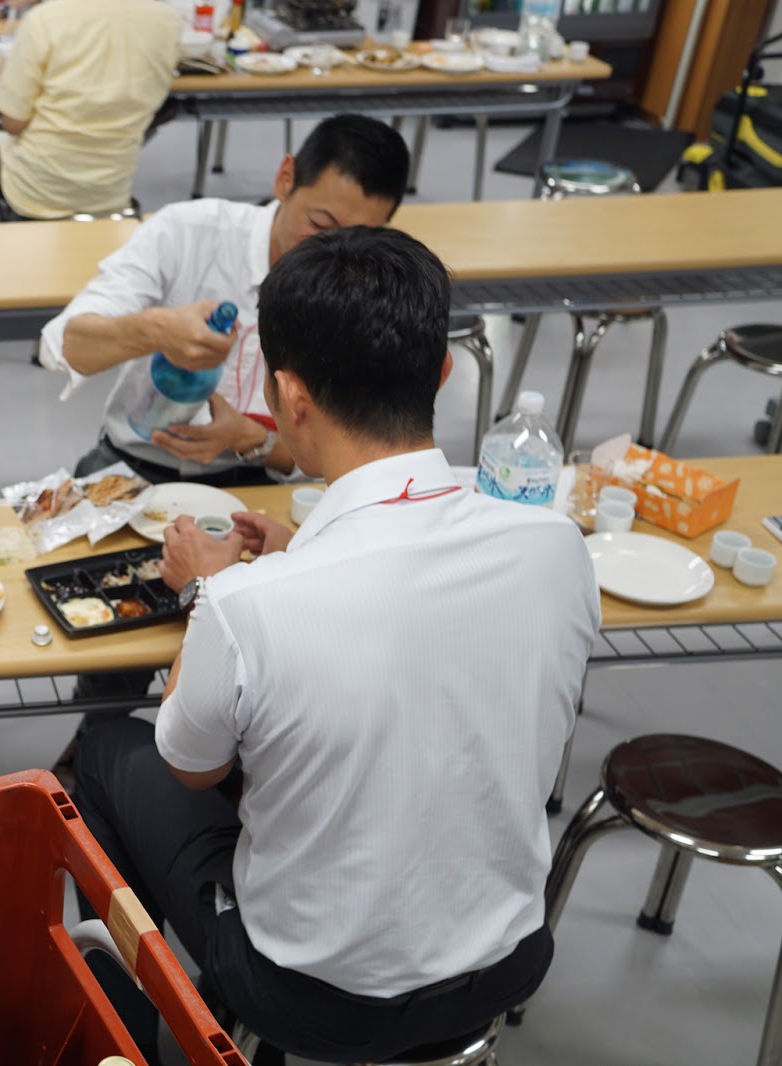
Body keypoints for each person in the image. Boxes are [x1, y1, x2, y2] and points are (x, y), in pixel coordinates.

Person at [73, 227, 601, 1065]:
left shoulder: (246, 604)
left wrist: (205, 593)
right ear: (442, 372)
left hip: (313, 998)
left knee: (106, 752)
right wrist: (302, 552)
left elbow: (191, 766)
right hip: (505, 965)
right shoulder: (557, 549)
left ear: (289, 397)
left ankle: (127, 1042)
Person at [38, 113, 412, 746]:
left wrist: (254, 440)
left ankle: (217, 756)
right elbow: (64, 345)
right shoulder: (188, 233)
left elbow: (346, 449)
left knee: (267, 648)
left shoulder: (358, 284)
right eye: (320, 225)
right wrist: (155, 329)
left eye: (360, 237)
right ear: (285, 177)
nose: (333, 253)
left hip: (252, 488)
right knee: (109, 633)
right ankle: (97, 740)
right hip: (131, 472)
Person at [0, 0, 182, 224]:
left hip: (41, 185)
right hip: (110, 186)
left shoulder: (46, 19)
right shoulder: (167, 20)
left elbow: (12, 123)